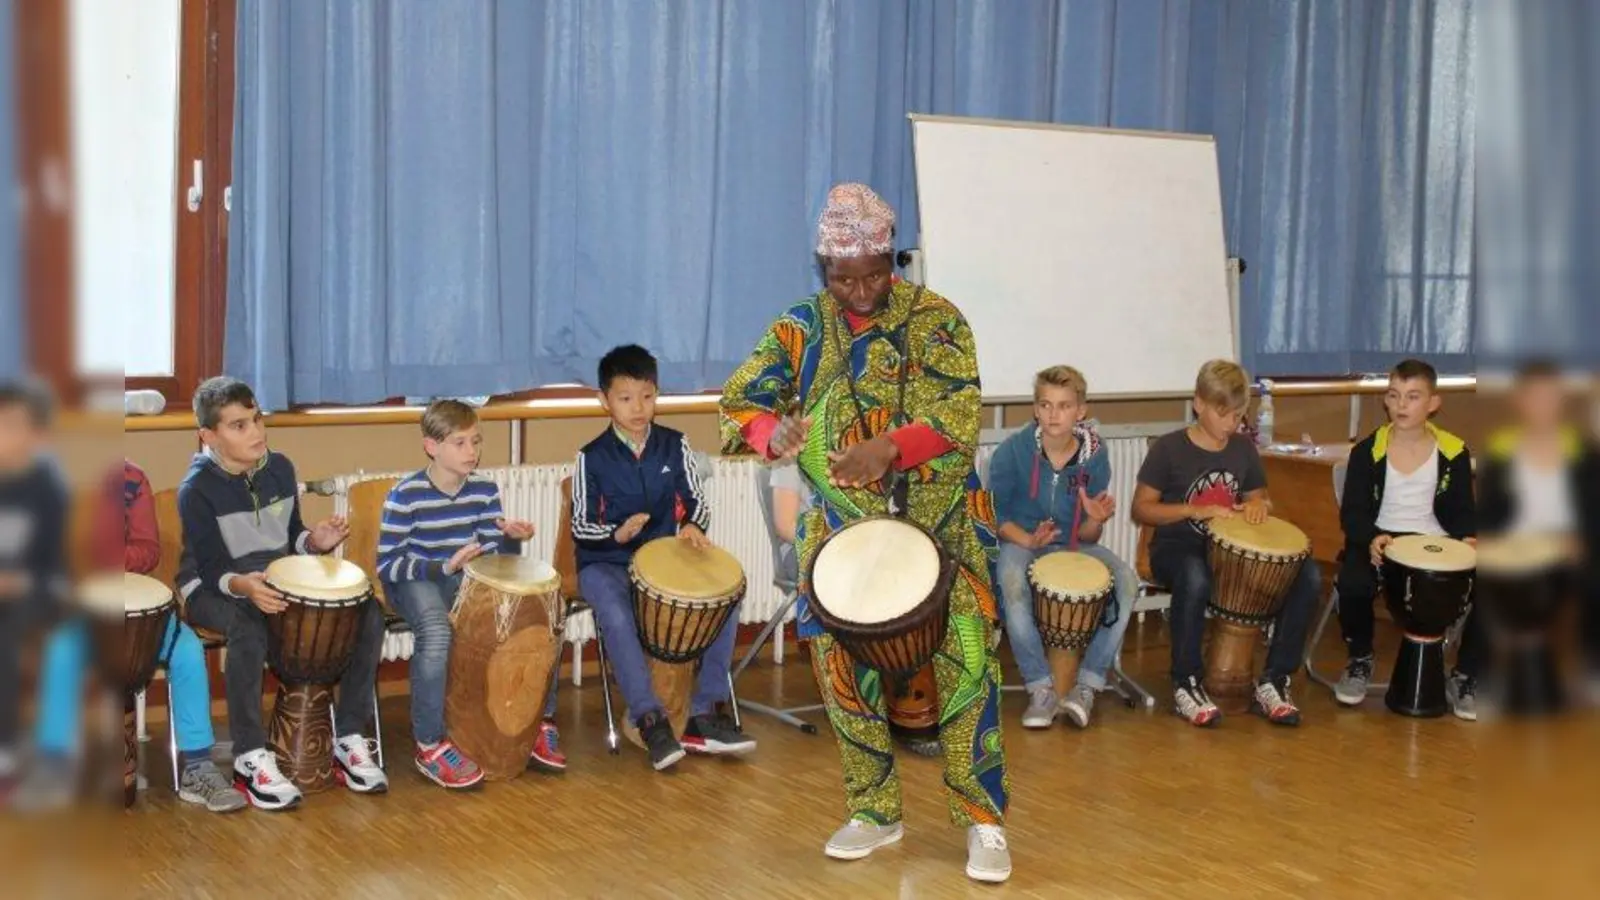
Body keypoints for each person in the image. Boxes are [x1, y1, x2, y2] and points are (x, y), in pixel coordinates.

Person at [720, 183, 1012, 884]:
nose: (859, 291)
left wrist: (889, 449)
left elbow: (958, 414)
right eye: (842, 278)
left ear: (892, 259)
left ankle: (984, 820)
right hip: (841, 538)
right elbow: (739, 403)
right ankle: (874, 809)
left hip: (942, 527)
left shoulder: (938, 319)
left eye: (873, 276)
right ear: (823, 268)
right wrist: (772, 432)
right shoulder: (800, 326)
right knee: (843, 673)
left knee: (968, 666)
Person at [178, 376, 388, 810]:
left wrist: (315, 542)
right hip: (213, 587)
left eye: (256, 419)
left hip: (273, 579)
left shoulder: (280, 469)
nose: (256, 432)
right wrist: (245, 587)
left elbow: (291, 537)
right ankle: (249, 756)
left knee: (367, 610)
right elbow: (213, 569)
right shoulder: (196, 490)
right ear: (208, 436)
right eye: (239, 426)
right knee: (247, 625)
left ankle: (349, 737)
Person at [19, 459, 244, 812]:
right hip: (82, 607)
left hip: (135, 608)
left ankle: (197, 766)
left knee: (186, 649)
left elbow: (148, 550)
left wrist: (106, 556)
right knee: (60, 651)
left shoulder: (132, 478)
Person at [572, 345, 754, 771]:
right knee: (616, 615)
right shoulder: (591, 457)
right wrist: (615, 534)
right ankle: (649, 718)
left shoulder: (674, 444)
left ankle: (704, 713)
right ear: (604, 401)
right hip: (604, 563)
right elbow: (580, 524)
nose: (638, 408)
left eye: (647, 396)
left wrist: (692, 525)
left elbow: (697, 500)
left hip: (660, 560)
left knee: (726, 597)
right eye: (625, 398)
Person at [1132, 359, 1319, 727]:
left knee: (1307, 575)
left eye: (1238, 415)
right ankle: (1186, 681)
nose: (1231, 423)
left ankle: (1275, 679)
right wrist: (1193, 510)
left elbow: (1260, 498)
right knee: (1194, 574)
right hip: (1176, 546)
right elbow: (1142, 508)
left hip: (1228, 552)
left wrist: (1257, 506)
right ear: (1198, 404)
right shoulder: (1169, 449)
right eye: (1223, 414)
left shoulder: (1242, 449)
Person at [378, 399, 554, 790]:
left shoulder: (484, 490)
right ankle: (429, 744)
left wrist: (511, 540)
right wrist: (443, 567)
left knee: (531, 614)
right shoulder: (405, 495)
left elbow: (494, 561)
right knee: (436, 631)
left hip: (463, 577)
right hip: (415, 580)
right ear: (432, 447)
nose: (471, 451)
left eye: (476, 441)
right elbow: (388, 565)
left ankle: (539, 721)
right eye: (459, 443)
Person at [988, 365, 1137, 729]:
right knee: (1010, 579)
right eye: (1046, 405)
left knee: (1126, 581)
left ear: (1080, 411)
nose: (1054, 414)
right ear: (1036, 409)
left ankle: (1087, 686)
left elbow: (1088, 536)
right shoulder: (1012, 452)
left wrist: (1096, 519)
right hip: (1021, 541)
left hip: (1072, 545)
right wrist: (1029, 539)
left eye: (1064, 406)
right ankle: (1040, 688)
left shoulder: (1095, 457)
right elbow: (994, 515)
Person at [1333, 359, 1480, 717]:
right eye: (1394, 395)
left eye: (1413, 396)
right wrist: (1371, 538)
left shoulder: (1454, 452)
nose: (1401, 405)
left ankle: (1465, 675)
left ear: (1433, 403)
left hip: (1436, 543)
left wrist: (1469, 538)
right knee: (1353, 580)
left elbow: (1463, 510)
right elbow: (1352, 514)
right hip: (1383, 540)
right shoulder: (1366, 452)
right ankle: (1360, 659)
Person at [1475, 361, 1600, 704]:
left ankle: (1592, 668)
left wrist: (1581, 541)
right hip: (1514, 546)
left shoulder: (1582, 451)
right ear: (1519, 401)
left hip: (1567, 548)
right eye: (1535, 397)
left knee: (1594, 583)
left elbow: (1592, 512)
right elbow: (1488, 510)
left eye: (1550, 397)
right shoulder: (1502, 448)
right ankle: (1479, 677)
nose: (1542, 406)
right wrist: (1484, 538)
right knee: (1480, 585)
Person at [0, 379, 68, 804]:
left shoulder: (45, 486)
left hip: (38, 590)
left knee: (5, 638)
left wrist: (16, 582)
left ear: (36, 435)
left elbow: (53, 567)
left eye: (12, 425)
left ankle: (5, 752)